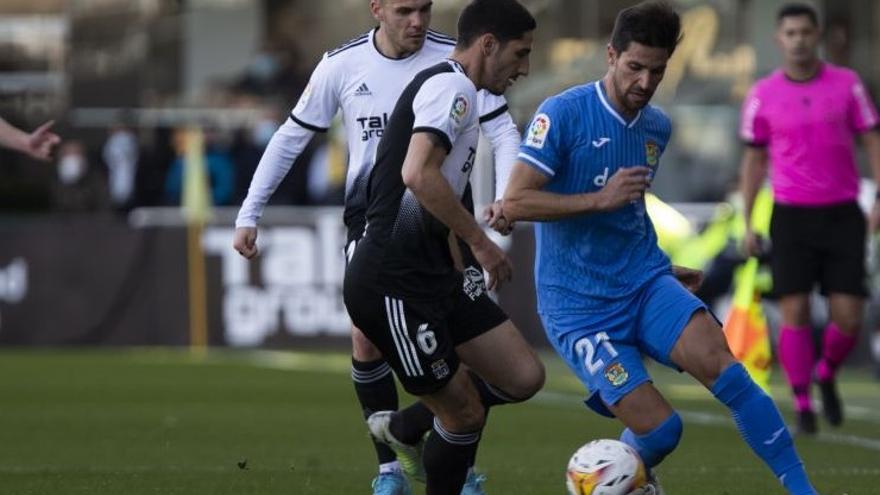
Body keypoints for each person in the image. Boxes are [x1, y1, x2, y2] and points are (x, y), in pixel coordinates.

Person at [501, 2, 819, 494]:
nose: (645, 83)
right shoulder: (562, 115)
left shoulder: (657, 127)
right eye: (635, 67)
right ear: (610, 55)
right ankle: (605, 480)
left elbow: (628, 211)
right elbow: (516, 201)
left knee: (729, 372)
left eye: (657, 70)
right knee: (664, 430)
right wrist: (597, 199)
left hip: (646, 282)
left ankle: (804, 491)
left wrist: (664, 268)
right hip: (579, 307)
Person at [232, 0, 522, 493]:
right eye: (405, 10)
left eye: (426, 9)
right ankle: (390, 468)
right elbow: (290, 138)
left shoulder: (453, 61)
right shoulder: (341, 66)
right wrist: (249, 212)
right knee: (365, 336)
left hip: (446, 223)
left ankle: (458, 464)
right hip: (373, 223)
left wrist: (506, 199)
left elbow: (502, 128)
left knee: (467, 347)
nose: (418, 21)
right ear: (377, 9)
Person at [344, 1, 542, 493]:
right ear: (489, 44)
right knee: (464, 413)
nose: (525, 68)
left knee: (524, 376)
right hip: (395, 282)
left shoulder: (465, 94)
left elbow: (432, 189)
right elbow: (417, 174)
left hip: (436, 272)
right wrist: (482, 243)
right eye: (520, 54)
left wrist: (454, 251)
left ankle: (406, 427)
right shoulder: (451, 86)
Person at [739, 3, 880, 434]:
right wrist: (748, 222)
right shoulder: (763, 93)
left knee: (849, 316)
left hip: (841, 213)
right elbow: (754, 160)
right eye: (791, 33)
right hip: (791, 215)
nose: (799, 40)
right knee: (795, 310)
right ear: (780, 39)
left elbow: (871, 139)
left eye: (805, 32)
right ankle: (803, 403)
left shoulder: (848, 84)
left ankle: (826, 372)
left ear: (817, 35)